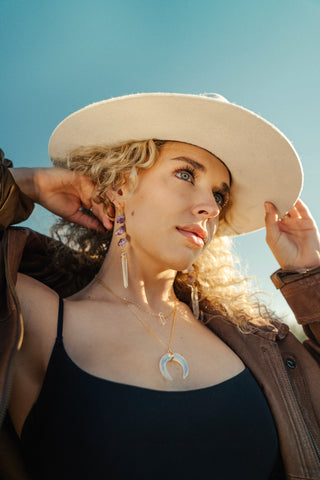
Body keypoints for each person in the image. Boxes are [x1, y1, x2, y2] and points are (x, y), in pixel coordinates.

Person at [0, 92, 319, 480]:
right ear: (119, 185)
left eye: (220, 195)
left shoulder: (258, 342)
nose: (212, 207)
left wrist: (309, 277)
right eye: (186, 174)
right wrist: (25, 183)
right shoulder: (29, 314)